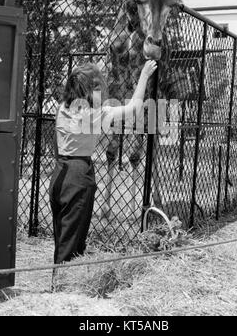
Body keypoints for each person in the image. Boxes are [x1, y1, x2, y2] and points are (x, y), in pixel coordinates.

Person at [49, 59, 157, 265]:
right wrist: (144, 76)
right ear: (92, 88)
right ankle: (64, 288)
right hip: (79, 174)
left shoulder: (62, 108)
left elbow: (56, 146)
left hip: (59, 172)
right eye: (97, 84)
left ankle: (60, 283)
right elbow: (134, 107)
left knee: (62, 236)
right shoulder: (95, 114)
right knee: (73, 241)